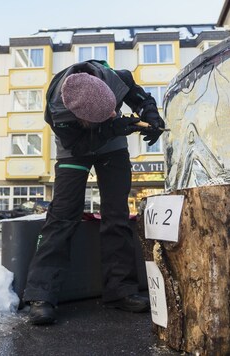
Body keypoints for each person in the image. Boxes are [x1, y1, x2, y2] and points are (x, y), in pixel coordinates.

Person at [23, 59, 165, 325]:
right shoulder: (57, 109)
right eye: (106, 115)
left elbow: (140, 98)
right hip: (74, 147)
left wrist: (150, 114)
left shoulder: (115, 77)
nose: (114, 114)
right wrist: (112, 127)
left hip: (113, 147)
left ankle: (121, 290)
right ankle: (41, 295)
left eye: (113, 110)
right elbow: (77, 145)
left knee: (117, 213)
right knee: (63, 214)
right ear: (79, 115)